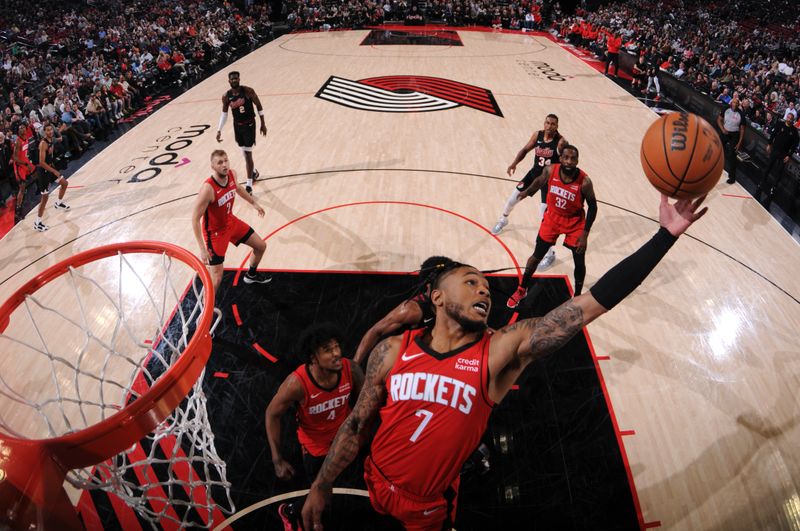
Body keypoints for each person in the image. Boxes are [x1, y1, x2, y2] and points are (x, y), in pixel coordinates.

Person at [302, 194, 707, 531]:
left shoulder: (500, 350)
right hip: (373, 478)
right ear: (437, 297)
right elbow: (356, 423)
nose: (484, 290)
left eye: (485, 285)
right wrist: (322, 483)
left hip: (428, 507)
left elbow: (590, 305)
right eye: (470, 281)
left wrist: (664, 237)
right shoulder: (392, 350)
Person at [266, 322, 364, 530]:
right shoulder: (297, 384)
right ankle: (291, 512)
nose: (337, 353)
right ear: (313, 358)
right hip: (316, 450)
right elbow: (272, 414)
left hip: (343, 441)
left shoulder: (350, 369)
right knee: (323, 497)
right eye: (328, 350)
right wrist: (277, 459)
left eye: (337, 346)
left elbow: (364, 403)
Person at [507, 144, 596, 307]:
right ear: (560, 158)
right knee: (536, 256)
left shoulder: (585, 181)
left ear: (577, 160)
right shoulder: (551, 170)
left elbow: (593, 207)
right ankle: (522, 289)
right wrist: (526, 193)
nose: (569, 161)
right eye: (566, 157)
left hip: (575, 222)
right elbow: (539, 182)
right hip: (553, 218)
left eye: (573, 158)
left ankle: (576, 297)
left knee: (579, 260)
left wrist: (585, 233)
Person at [491, 114, 568, 270]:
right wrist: (514, 163)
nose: (550, 126)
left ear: (557, 126)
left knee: (544, 218)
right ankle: (503, 219)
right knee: (512, 199)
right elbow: (525, 150)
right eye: (547, 122)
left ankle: (550, 254)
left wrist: (564, 182)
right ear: (544, 123)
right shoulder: (537, 135)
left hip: (549, 181)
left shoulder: (561, 142)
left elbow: (568, 162)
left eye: (553, 124)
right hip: (533, 175)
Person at [191, 149, 271, 291]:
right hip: (215, 234)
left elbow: (238, 188)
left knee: (261, 246)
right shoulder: (208, 189)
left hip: (231, 222)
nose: (224, 165)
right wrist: (202, 249)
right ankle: (207, 309)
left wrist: (253, 203)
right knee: (217, 278)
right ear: (213, 166)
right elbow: (195, 219)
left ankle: (251, 276)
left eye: (226, 160)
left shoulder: (232, 174)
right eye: (220, 162)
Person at [353, 256, 455, 367]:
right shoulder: (412, 310)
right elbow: (376, 331)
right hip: (408, 363)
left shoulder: (452, 303)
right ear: (429, 285)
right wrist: (354, 365)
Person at [216, 71, 268, 194]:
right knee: (244, 152)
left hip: (250, 125)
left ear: (239, 79)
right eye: (232, 79)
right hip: (237, 126)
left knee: (248, 154)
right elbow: (224, 114)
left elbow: (259, 106)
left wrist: (263, 123)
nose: (234, 80)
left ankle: (249, 185)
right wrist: (219, 130)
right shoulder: (226, 96)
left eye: (236, 78)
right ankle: (253, 172)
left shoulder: (248, 91)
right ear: (229, 81)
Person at [33, 123, 71, 232]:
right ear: (44, 132)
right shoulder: (43, 144)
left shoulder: (52, 139)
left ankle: (58, 203)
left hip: (50, 168)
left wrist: (61, 129)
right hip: (43, 172)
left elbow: (59, 138)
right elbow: (41, 162)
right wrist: (54, 171)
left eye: (51, 130)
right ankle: (37, 222)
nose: (50, 132)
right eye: (48, 130)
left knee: (64, 183)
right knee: (45, 198)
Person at [755, 114, 799, 207]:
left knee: (778, 173)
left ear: (793, 120)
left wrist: (789, 156)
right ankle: (761, 183)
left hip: (783, 155)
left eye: (791, 119)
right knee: (768, 168)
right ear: (786, 118)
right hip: (775, 150)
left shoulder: (794, 132)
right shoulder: (780, 124)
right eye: (788, 118)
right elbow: (773, 134)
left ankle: (773, 189)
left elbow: (794, 146)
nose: (789, 120)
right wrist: (769, 144)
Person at [716, 97, 745, 184]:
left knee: (732, 155)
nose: (735, 104)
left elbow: (742, 129)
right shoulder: (726, 109)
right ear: (731, 103)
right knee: (718, 149)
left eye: (737, 103)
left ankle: (732, 177)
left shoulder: (741, 114)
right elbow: (719, 120)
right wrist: (722, 129)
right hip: (725, 132)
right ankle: (714, 168)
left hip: (734, 135)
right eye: (734, 102)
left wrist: (739, 142)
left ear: (738, 105)